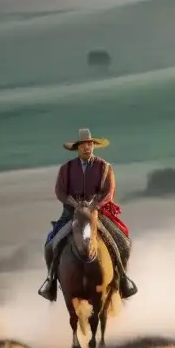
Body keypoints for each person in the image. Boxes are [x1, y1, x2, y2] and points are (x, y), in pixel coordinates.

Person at [39, 128, 137, 302]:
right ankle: (51, 281)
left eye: (90, 144)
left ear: (94, 146)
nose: (87, 147)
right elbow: (60, 192)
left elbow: (109, 192)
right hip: (71, 213)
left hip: (98, 213)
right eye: (84, 145)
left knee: (122, 242)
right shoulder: (66, 169)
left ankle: (122, 279)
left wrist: (95, 206)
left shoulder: (105, 167)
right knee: (50, 244)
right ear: (78, 147)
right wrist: (73, 203)